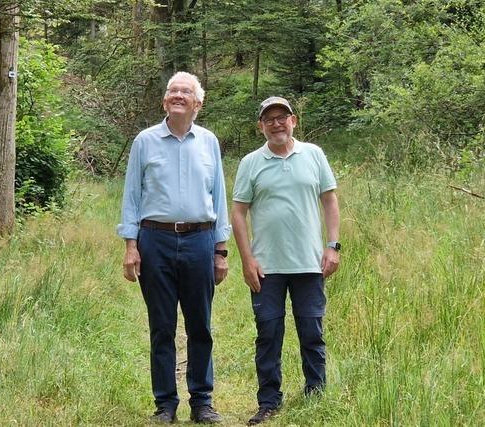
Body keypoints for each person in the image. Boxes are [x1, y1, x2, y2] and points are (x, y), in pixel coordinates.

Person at [117, 71, 230, 424]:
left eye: (185, 91)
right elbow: (132, 197)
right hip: (156, 241)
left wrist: (220, 250)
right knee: (162, 326)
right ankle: (165, 403)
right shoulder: (145, 141)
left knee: (201, 325)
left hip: (200, 239)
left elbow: (220, 197)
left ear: (198, 102)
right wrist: (131, 247)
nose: (177, 95)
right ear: (165, 100)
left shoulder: (209, 142)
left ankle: (202, 401)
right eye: (172, 90)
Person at [231, 96, 341, 425]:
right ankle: (268, 401)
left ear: (294, 120)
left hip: (309, 264)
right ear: (260, 126)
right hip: (266, 267)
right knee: (268, 333)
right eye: (269, 119)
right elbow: (238, 213)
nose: (277, 123)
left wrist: (333, 245)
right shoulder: (251, 162)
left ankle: (316, 394)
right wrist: (247, 259)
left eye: (283, 117)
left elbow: (330, 201)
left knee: (312, 331)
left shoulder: (314, 155)